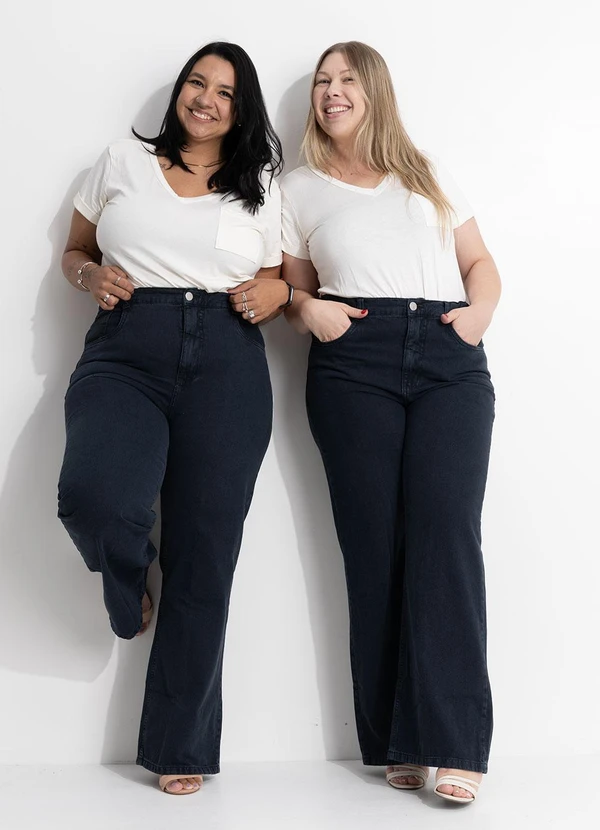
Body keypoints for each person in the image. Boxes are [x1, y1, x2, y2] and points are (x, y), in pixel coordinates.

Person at [57, 42, 291, 795]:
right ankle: (128, 587)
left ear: (241, 109)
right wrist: (90, 275)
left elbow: (278, 277)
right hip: (127, 345)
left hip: (227, 359)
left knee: (205, 554)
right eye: (198, 82)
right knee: (93, 498)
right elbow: (75, 249)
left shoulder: (260, 182)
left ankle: (179, 747)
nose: (207, 99)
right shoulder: (121, 161)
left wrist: (279, 294)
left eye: (226, 92)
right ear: (180, 90)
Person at [281, 41, 500, 805]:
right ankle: (396, 740)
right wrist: (309, 311)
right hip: (354, 362)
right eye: (322, 82)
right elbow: (293, 289)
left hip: (447, 356)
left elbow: (480, 263)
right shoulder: (297, 188)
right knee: (373, 545)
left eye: (347, 79)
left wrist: (475, 317)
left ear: (374, 90)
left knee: (446, 534)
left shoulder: (425, 172)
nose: (332, 92)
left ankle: (455, 744)